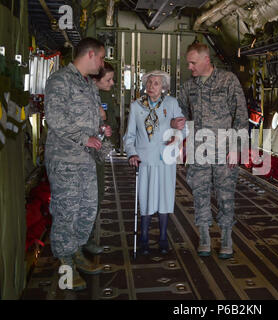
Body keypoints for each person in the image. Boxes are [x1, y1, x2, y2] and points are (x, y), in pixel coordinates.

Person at [44, 37, 112, 291]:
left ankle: (76, 253)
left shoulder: (88, 85)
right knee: (66, 213)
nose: (103, 63)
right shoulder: (61, 80)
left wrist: (101, 129)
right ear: (91, 55)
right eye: (102, 57)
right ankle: (65, 266)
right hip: (65, 160)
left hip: (85, 160)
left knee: (87, 209)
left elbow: (90, 119)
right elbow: (55, 118)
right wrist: (86, 138)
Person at [178, 43, 248, 259]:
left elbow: (241, 116)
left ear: (206, 60)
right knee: (200, 194)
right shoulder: (189, 87)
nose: (190, 66)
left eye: (193, 62)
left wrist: (236, 148)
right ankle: (205, 237)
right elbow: (181, 114)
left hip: (224, 150)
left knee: (225, 195)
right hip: (199, 150)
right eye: (188, 62)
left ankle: (227, 237)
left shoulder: (228, 81)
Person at [123, 70, 186, 255]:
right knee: (146, 197)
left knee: (165, 197)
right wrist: (131, 154)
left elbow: (184, 127)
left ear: (163, 87)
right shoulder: (136, 106)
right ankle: (144, 238)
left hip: (166, 158)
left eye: (156, 83)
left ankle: (163, 238)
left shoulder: (171, 103)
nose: (151, 86)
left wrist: (176, 135)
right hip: (145, 159)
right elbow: (129, 136)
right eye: (149, 83)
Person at [83, 62, 116, 255]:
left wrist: (107, 126)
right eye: (108, 80)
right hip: (84, 154)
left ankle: (87, 237)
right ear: (95, 80)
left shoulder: (104, 95)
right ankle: (80, 241)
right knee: (85, 198)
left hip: (99, 152)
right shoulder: (84, 95)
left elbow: (108, 117)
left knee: (97, 195)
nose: (112, 83)